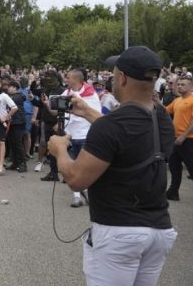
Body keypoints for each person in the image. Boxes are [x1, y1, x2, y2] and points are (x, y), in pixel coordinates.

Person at [49, 46, 177, 286]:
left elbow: (77, 179)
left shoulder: (111, 126)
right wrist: (87, 111)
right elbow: (125, 133)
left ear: (122, 78)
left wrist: (60, 150)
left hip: (119, 232)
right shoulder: (161, 118)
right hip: (159, 230)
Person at [62, 68, 102, 207]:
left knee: (86, 168)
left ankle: (88, 191)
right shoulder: (66, 93)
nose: (66, 79)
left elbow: (97, 114)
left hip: (86, 135)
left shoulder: (91, 94)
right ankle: (77, 196)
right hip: (70, 135)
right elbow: (58, 110)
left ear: (77, 80)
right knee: (73, 166)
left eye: (68, 77)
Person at [164, 73, 193, 201]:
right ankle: (173, 192)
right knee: (174, 166)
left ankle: (173, 191)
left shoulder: (192, 100)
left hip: (188, 139)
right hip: (176, 139)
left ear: (191, 86)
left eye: (183, 85)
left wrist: (184, 135)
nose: (180, 87)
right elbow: (165, 110)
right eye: (179, 84)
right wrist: (154, 101)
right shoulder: (177, 100)